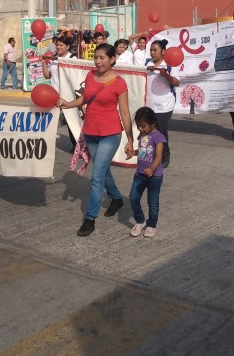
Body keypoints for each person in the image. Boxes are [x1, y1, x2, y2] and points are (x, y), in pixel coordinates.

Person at [57, 44, 134, 237]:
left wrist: (130, 139)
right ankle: (116, 198)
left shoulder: (119, 83)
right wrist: (67, 104)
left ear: (112, 59)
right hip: (90, 132)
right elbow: (84, 99)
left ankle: (90, 219)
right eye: (96, 57)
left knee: (97, 175)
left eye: (102, 58)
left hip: (111, 134)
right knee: (103, 169)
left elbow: (124, 112)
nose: (97, 61)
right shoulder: (90, 76)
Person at [126, 107, 166, 238]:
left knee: (153, 202)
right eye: (138, 126)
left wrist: (152, 169)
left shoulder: (158, 137)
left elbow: (158, 156)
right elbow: (143, 150)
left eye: (143, 126)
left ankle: (152, 225)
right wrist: (134, 153)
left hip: (154, 176)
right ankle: (140, 221)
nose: (140, 129)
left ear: (152, 123)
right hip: (140, 174)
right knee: (133, 197)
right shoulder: (142, 135)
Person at [42, 34, 77, 147]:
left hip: (68, 97)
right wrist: (44, 62)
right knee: (51, 121)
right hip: (54, 96)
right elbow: (48, 76)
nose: (58, 47)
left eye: (61, 45)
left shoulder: (73, 59)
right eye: (57, 45)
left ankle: (78, 146)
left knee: (72, 123)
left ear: (67, 46)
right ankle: (48, 143)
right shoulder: (53, 58)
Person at [144, 39, 179, 140]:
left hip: (164, 106)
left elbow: (176, 83)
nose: (152, 53)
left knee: (160, 131)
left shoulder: (169, 65)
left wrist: (166, 75)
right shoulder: (146, 63)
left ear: (163, 51)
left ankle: (164, 154)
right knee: (147, 132)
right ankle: (150, 154)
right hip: (148, 105)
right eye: (151, 50)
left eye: (155, 50)